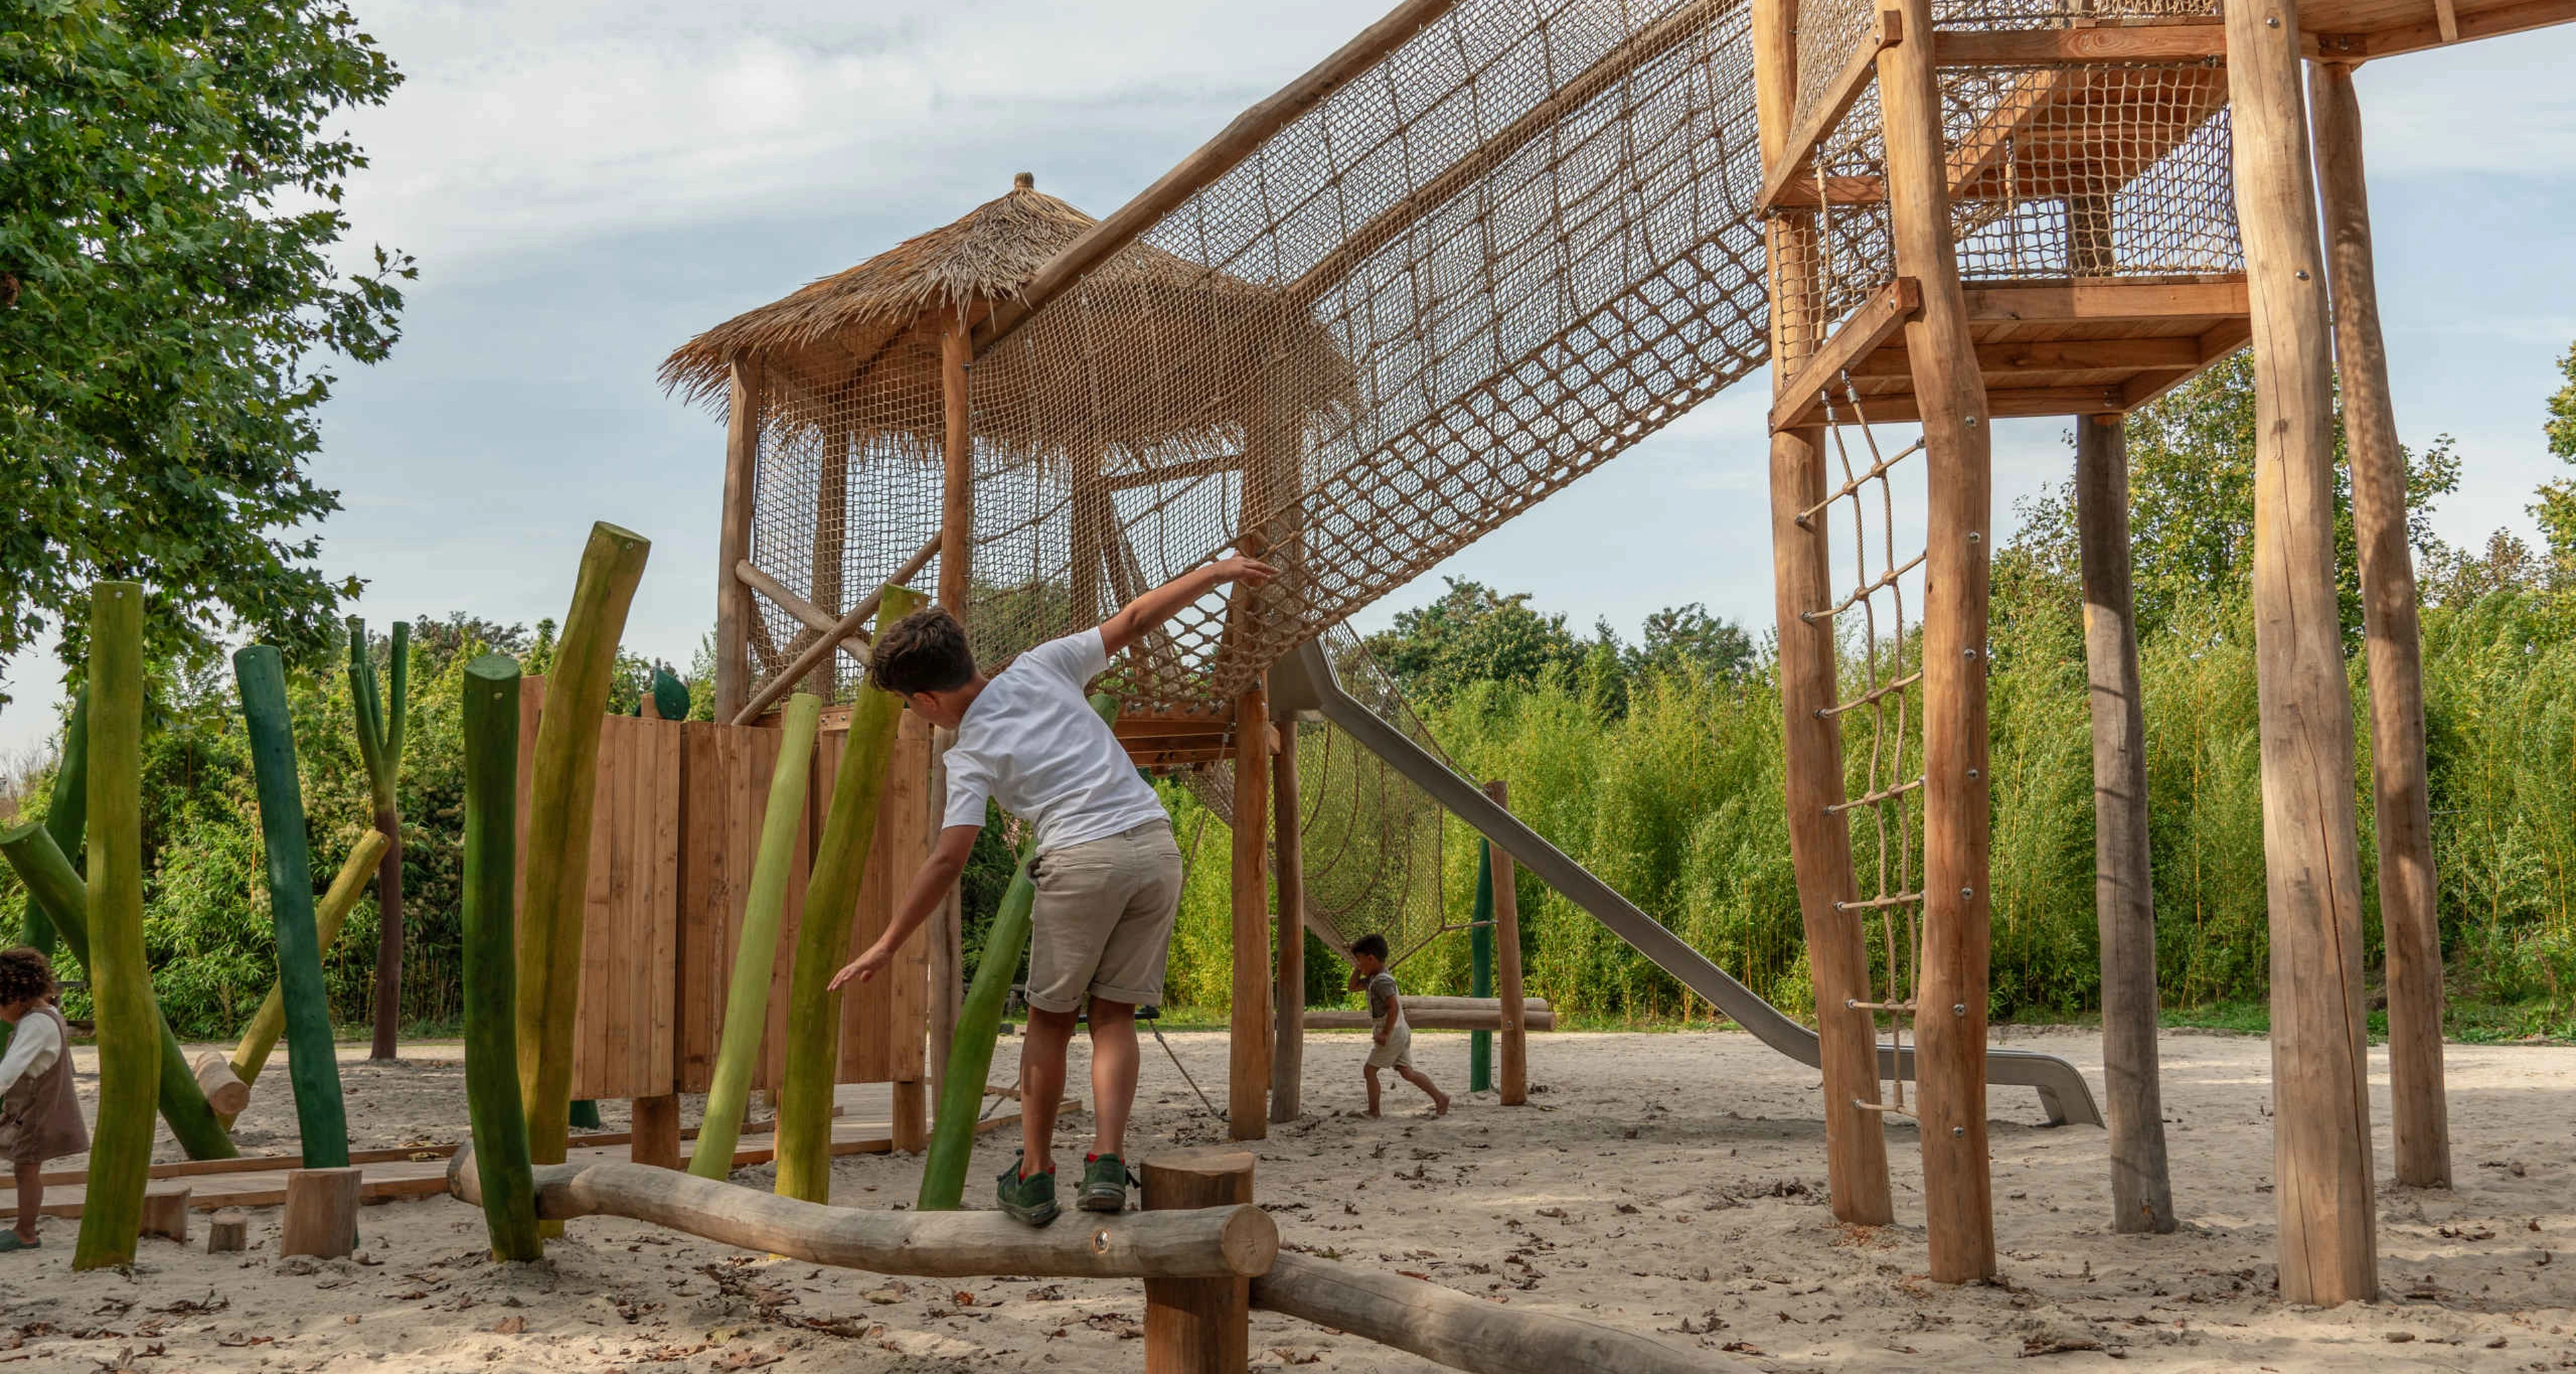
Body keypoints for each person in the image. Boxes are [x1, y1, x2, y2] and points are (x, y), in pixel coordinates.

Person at [829, 555, 1278, 1226]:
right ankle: (1105, 1161)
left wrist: (888, 941)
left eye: (907, 705)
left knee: (1049, 1020)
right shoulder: (1043, 665)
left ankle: (1036, 1173)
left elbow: (949, 858)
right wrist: (1215, 573)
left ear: (923, 700)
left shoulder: (968, 750)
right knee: (1115, 1014)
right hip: (1155, 847)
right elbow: (1132, 619)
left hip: (1081, 859)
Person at [0, 947, 86, 1251]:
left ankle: (26, 1232)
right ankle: (25, 1229)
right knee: (26, 1168)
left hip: (36, 1111)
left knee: (26, 1169)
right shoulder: (49, 1013)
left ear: (17, 996)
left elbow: (9, 1071)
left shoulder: (36, 1024)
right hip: (32, 1108)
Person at [1346, 934, 1448, 1118]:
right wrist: (1358, 968)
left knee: (1369, 1070)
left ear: (1371, 959)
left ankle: (1374, 1111)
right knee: (1407, 1072)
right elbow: (1352, 987)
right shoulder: (1373, 977)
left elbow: (1392, 1008)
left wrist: (1385, 1034)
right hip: (1401, 1030)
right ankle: (1440, 1097)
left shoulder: (1382, 981)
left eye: (1360, 961)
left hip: (1392, 1031)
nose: (1359, 966)